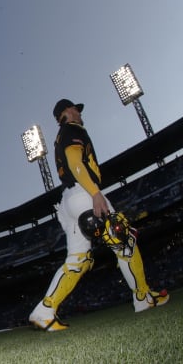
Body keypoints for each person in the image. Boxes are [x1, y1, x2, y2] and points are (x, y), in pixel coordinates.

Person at [28, 98, 169, 332]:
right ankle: (143, 298)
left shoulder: (59, 136)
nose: (80, 113)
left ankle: (44, 311)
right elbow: (75, 162)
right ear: (68, 112)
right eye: (76, 109)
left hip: (67, 202)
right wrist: (95, 193)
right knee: (124, 241)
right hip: (84, 193)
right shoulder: (72, 129)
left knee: (77, 259)